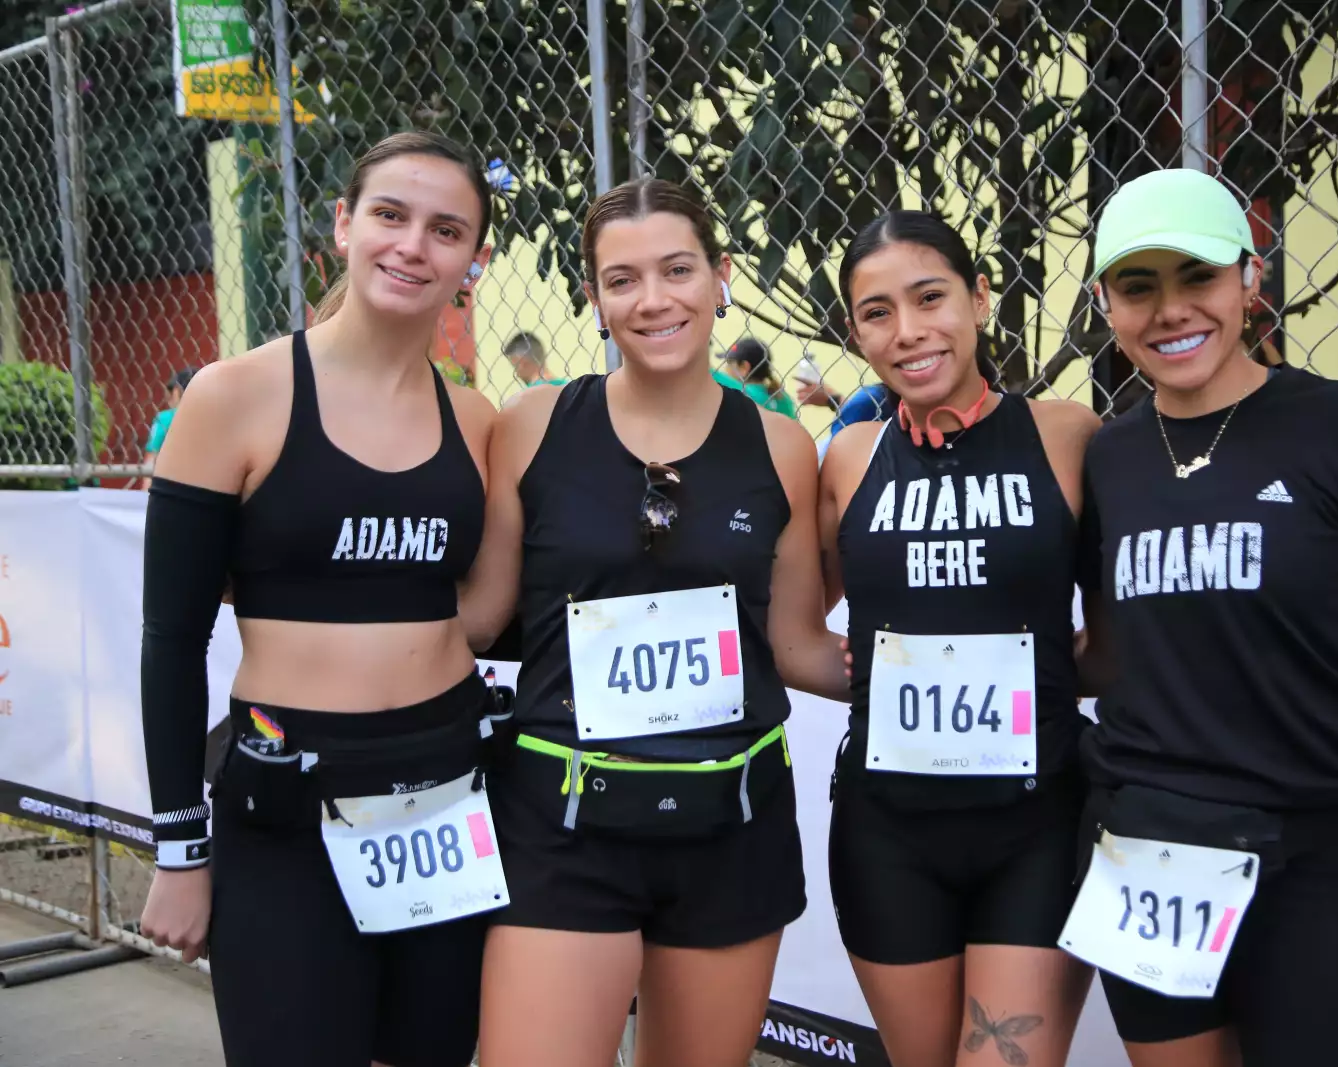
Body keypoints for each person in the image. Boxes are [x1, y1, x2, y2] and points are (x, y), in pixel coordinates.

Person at [1065, 167, 1338, 1067]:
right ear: (1105, 302)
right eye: (1138, 285)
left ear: (1249, 278)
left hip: (1314, 850)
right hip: (1150, 852)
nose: (1169, 311)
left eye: (1196, 277)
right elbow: (1113, 652)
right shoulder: (1110, 456)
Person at [459, 177, 848, 1067]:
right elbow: (477, 619)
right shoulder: (533, 426)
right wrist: (313, 614)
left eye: (677, 270)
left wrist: (941, 670)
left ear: (720, 277)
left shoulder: (781, 445)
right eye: (622, 279)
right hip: (563, 823)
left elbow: (794, 644)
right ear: (593, 297)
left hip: (730, 821)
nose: (654, 299)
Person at [137, 130, 504, 1067]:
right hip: (287, 803)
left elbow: (493, 605)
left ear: (474, 259)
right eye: (390, 215)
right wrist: (180, 850)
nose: (413, 245)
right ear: (343, 225)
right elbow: (172, 638)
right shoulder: (235, 396)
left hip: (444, 794)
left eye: (446, 229)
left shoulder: (477, 420)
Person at [816, 210, 1101, 1067]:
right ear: (857, 330)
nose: (908, 332)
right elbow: (795, 631)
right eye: (876, 312)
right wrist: (875, 677)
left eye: (930, 296)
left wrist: (1038, 677)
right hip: (887, 831)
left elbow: (1120, 636)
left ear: (979, 297)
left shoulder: (1066, 434)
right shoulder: (849, 457)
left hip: (1036, 822)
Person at [139, 367, 198, 490]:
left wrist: (146, 493)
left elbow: (152, 457)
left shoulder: (166, 418)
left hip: (171, 485)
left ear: (177, 391)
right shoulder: (212, 416)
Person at [714, 336, 799, 417]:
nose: (725, 369)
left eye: (728, 364)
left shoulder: (742, 395)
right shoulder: (784, 398)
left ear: (744, 367)